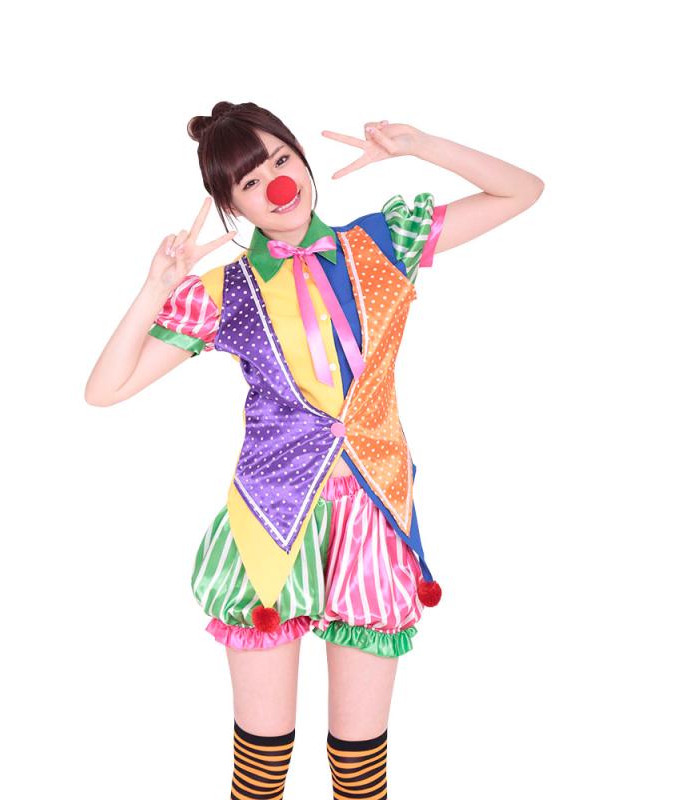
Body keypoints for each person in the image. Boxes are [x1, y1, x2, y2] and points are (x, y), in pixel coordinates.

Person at [85, 100, 544, 800]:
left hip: (374, 513)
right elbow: (105, 389)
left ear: (300, 158)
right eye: (249, 182)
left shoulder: (382, 242)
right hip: (271, 522)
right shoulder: (225, 291)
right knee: (261, 768)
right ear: (232, 205)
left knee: (360, 770)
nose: (276, 184)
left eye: (280, 159)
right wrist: (155, 288)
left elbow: (522, 191)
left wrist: (422, 145)